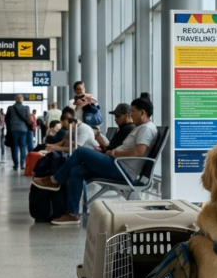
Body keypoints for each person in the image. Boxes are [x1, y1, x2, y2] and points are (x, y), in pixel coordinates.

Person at [33, 96, 158, 225]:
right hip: (116, 164)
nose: (131, 115)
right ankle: (72, 213)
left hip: (121, 169)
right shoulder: (142, 128)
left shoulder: (146, 129)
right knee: (77, 170)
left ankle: (55, 180)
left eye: (133, 111)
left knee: (81, 151)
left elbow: (139, 152)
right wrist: (107, 152)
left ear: (142, 112)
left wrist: (115, 153)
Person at [6, 93, 32, 170]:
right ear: (22, 99)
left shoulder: (10, 108)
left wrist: (8, 129)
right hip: (23, 129)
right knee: (22, 146)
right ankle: (22, 164)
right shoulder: (26, 108)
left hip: (13, 129)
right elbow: (28, 118)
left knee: (14, 147)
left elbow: (7, 119)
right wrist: (30, 126)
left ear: (15, 99)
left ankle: (16, 164)